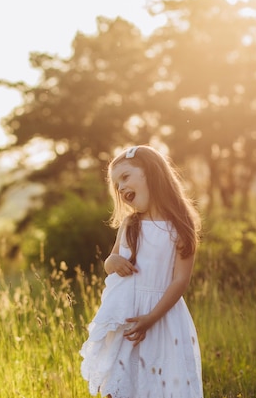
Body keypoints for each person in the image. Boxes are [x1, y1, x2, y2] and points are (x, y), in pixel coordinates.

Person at [80, 145, 203, 398]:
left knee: (162, 384)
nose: (121, 187)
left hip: (162, 317)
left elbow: (180, 280)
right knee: (121, 382)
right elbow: (110, 260)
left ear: (151, 173)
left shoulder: (179, 226)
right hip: (127, 316)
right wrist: (111, 263)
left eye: (125, 177)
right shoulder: (130, 224)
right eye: (116, 184)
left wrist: (151, 318)